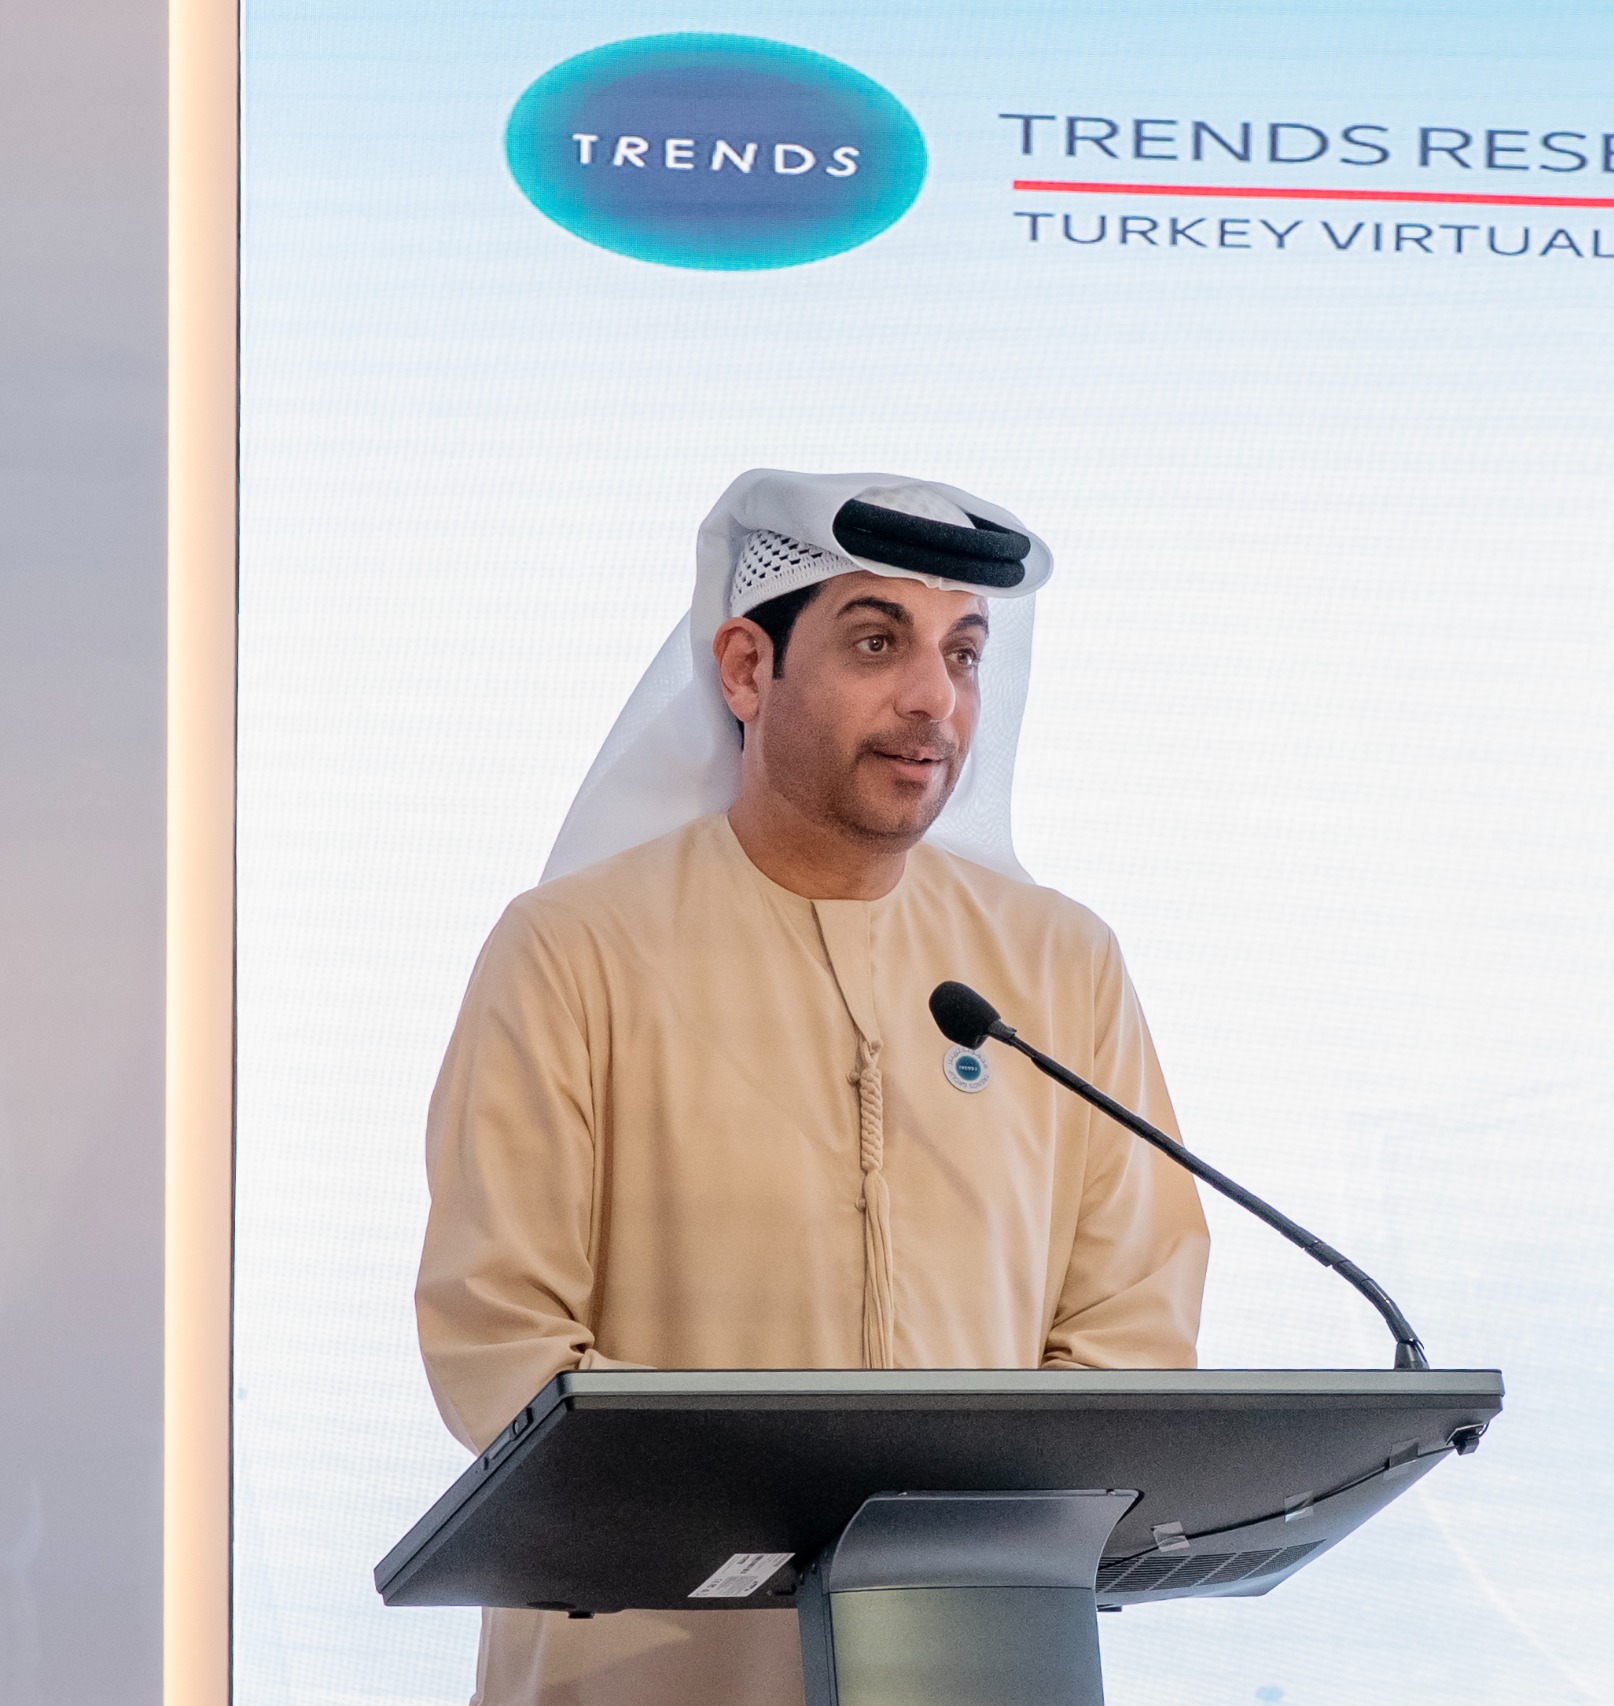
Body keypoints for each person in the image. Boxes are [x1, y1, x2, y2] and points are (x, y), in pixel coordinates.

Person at [414, 471, 1211, 1706]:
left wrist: (944, 1541)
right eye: (877, 642)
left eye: (962, 652)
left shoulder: (1059, 963)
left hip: (973, 1656)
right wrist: (779, 1534)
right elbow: (499, 1334)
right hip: (652, 1660)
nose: (933, 697)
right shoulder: (575, 950)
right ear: (746, 668)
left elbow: (1132, 1327)